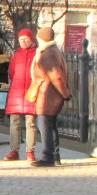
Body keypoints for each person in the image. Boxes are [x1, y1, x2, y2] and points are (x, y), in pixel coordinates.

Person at [29, 27, 71, 167]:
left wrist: (65, 93)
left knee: (45, 126)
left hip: (48, 95)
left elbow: (56, 76)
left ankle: (48, 157)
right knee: (51, 126)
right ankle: (55, 156)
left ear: (41, 38)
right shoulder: (54, 50)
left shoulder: (47, 53)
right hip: (50, 94)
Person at [4, 30, 39, 161]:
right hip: (17, 92)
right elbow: (12, 73)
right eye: (21, 40)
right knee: (15, 122)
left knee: (30, 122)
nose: (23, 42)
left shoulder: (37, 53)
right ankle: (14, 150)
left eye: (26, 39)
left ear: (31, 40)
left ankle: (30, 151)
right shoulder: (16, 55)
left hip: (31, 91)